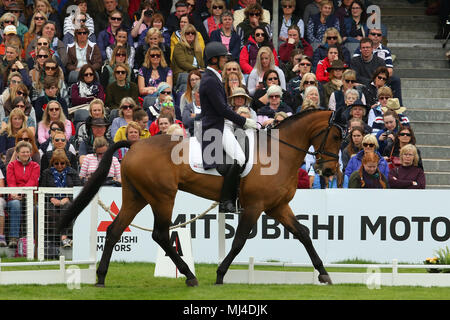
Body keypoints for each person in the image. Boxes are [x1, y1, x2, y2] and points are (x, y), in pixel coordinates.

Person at [200, 41, 257, 213]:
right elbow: (221, 109)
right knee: (239, 159)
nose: (225, 59)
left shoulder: (214, 77)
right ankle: (227, 201)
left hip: (223, 123)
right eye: (223, 57)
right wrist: (244, 121)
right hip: (216, 126)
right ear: (214, 59)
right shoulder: (209, 80)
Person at [39, 149, 82, 254]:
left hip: (68, 201)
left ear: (66, 162)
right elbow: (41, 188)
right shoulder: (46, 173)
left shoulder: (72, 172)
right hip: (51, 201)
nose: (59, 166)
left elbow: (78, 189)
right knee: (50, 210)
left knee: (67, 207)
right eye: (56, 163)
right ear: (52, 163)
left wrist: (68, 198)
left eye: (62, 163)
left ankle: (64, 237)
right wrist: (51, 198)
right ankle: (53, 241)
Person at [353, 27, 403, 104]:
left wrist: (377, 81)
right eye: (363, 48)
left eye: (368, 47)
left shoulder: (380, 61)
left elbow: (385, 74)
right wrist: (372, 81)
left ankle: (398, 105)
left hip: (377, 82)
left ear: (372, 49)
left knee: (395, 79)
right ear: (360, 49)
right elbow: (355, 76)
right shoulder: (355, 60)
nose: (366, 49)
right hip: (366, 82)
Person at [6, 141, 40, 248]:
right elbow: (11, 181)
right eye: (23, 152)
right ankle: (13, 238)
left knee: (37, 208)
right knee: (16, 204)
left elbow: (33, 181)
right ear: (17, 153)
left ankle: (33, 238)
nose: (25, 154)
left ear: (30, 153)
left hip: (30, 196)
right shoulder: (11, 165)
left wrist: (23, 193)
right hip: (14, 196)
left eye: (27, 152)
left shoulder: (35, 166)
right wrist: (15, 194)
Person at [171, 23, 205, 88]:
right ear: (184, 35)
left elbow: (202, 65)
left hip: (196, 73)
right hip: (183, 73)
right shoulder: (179, 46)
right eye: (187, 33)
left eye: (193, 33)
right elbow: (182, 63)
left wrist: (202, 70)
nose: (190, 35)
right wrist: (196, 70)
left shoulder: (197, 48)